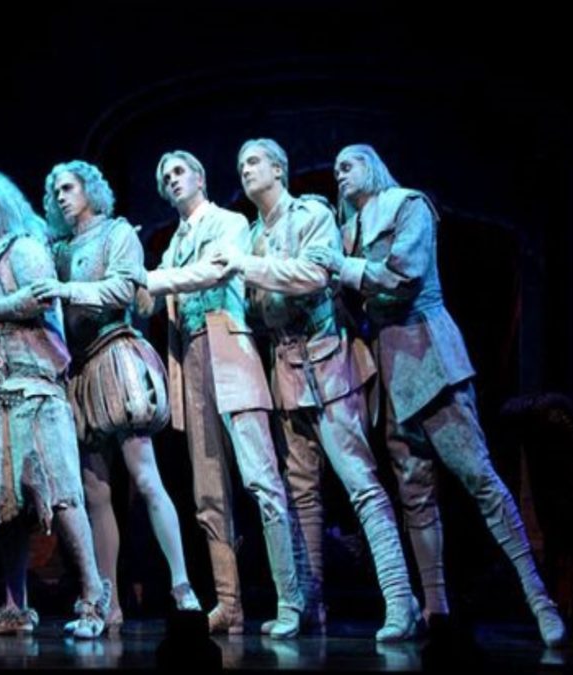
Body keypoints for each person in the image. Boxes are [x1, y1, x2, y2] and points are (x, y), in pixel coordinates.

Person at [305, 143, 567, 647]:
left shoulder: (409, 205)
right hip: (390, 369)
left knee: (480, 478)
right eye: (335, 167)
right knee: (415, 495)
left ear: (372, 166)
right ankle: (435, 610)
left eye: (348, 164)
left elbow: (405, 276)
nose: (339, 173)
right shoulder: (349, 230)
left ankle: (541, 601)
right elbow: (355, 300)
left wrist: (343, 267)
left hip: (430, 359)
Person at [211, 138, 418, 640]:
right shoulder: (253, 236)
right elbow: (260, 307)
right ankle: (310, 604)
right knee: (301, 492)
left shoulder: (312, 214)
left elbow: (313, 274)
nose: (245, 170)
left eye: (254, 161)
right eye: (240, 164)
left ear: (279, 168)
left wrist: (245, 267)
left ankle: (400, 601)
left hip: (327, 363)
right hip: (286, 370)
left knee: (360, 482)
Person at [136, 149, 302, 637]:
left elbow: (214, 271)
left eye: (179, 171)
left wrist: (149, 278)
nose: (172, 180)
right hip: (190, 362)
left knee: (262, 480)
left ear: (200, 177)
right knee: (208, 492)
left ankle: (291, 601)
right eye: (165, 176)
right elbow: (145, 303)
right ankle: (228, 603)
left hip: (229, 352)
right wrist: (129, 266)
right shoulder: (171, 246)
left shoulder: (230, 222)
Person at [33, 160, 201, 629]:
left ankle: (182, 587)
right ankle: (107, 603)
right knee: (95, 492)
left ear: (90, 189)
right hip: (80, 369)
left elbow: (124, 287)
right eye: (56, 192)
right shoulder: (58, 249)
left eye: (69, 187)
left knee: (145, 476)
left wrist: (67, 289)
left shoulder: (117, 232)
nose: (62, 197)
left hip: (115, 354)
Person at [0, 170, 110, 639]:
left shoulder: (23, 246)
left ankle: (94, 596)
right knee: (5, 506)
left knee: (60, 492)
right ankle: (16, 606)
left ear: (3, 203)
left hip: (32, 386)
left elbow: (38, 299)